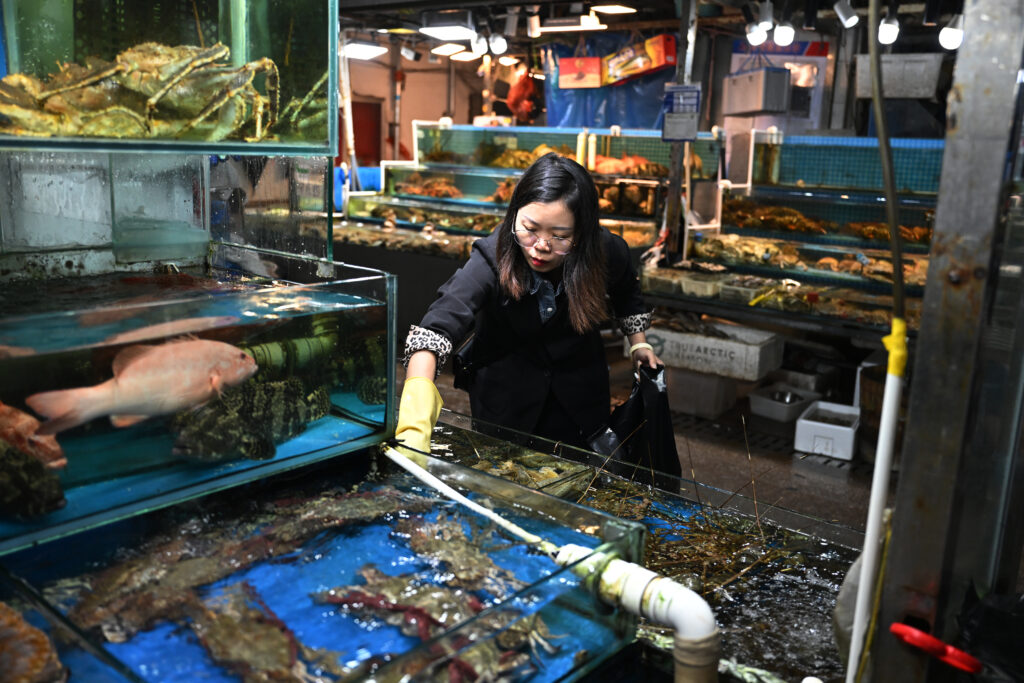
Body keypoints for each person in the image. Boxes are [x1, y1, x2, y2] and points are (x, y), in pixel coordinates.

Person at [394, 152, 660, 466]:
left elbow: (627, 289)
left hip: (580, 398)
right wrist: (415, 412)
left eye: (560, 236)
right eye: (530, 229)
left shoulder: (604, 250)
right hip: (505, 401)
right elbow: (438, 326)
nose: (541, 246)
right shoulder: (491, 257)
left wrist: (638, 341)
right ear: (514, 213)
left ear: (584, 232)